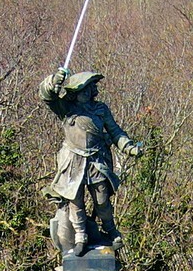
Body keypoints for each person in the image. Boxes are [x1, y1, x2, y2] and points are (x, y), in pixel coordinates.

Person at [39, 68, 144, 256]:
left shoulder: (100, 109)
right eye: (82, 90)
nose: (87, 93)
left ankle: (111, 230)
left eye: (89, 88)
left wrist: (129, 147)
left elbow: (115, 131)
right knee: (75, 201)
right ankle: (80, 236)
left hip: (96, 160)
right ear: (75, 92)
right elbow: (47, 96)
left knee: (102, 200)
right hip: (72, 160)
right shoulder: (66, 108)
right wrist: (54, 80)